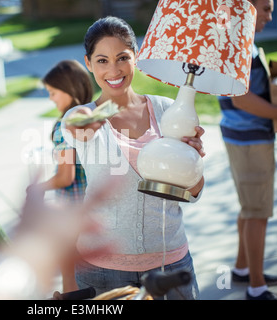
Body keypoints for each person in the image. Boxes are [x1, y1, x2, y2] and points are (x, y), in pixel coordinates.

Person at [60, 16, 206, 299]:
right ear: (88, 64)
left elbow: (194, 191)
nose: (113, 69)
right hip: (101, 269)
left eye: (122, 57)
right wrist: (83, 122)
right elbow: (74, 127)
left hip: (170, 264)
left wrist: (192, 162)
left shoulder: (169, 111)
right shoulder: (83, 117)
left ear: (136, 58)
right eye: (102, 60)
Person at [218, 0, 277, 300]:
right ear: (244, 6)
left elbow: (253, 87)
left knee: (250, 208)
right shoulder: (237, 44)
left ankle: (243, 269)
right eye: (265, 8)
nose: (270, 15)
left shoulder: (242, 42)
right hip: (249, 138)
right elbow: (241, 100)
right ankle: (256, 287)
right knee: (257, 213)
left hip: (245, 136)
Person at [29, 59, 93, 292]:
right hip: (96, 211)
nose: (51, 99)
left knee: (70, 275)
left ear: (69, 90)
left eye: (53, 92)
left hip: (73, 214)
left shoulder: (65, 126)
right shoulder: (94, 116)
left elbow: (65, 177)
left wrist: (36, 188)